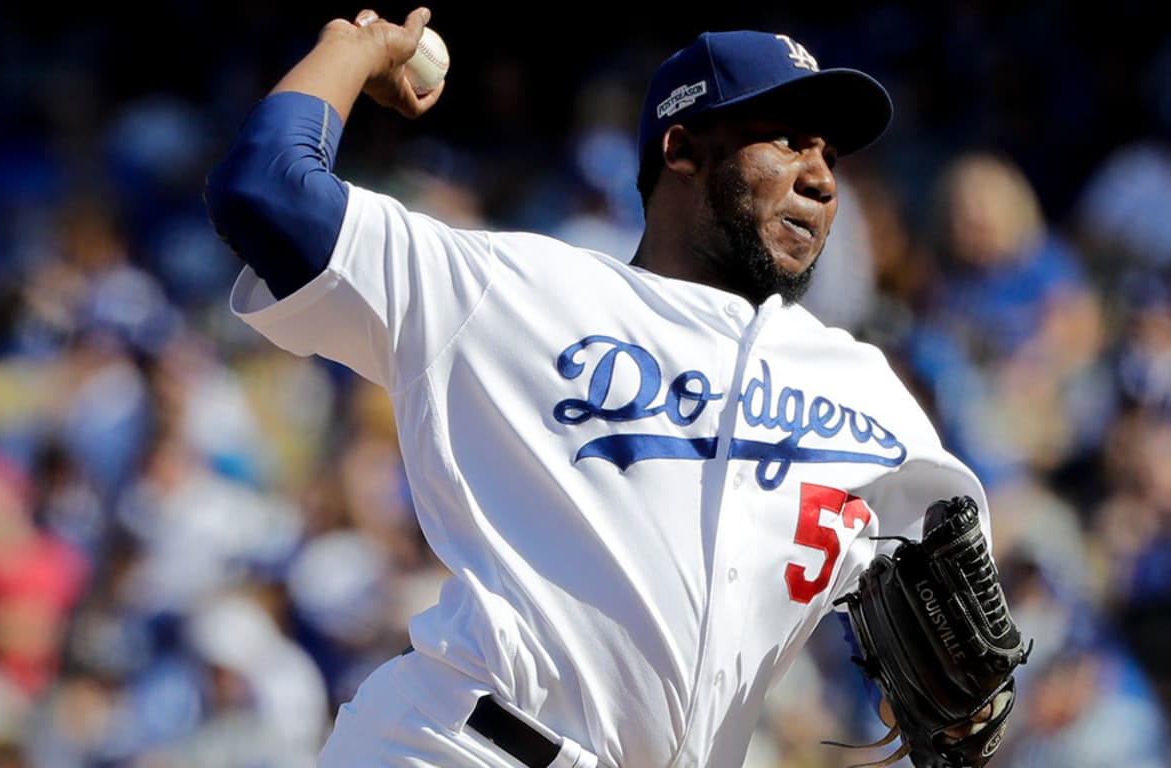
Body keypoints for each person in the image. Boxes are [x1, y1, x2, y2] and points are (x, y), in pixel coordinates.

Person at [205, 7, 1002, 767]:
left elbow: (962, 627)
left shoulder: (867, 393)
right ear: (682, 147)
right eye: (787, 140)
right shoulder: (515, 290)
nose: (820, 178)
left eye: (829, 154)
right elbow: (266, 191)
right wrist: (354, 48)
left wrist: (971, 701)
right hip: (459, 746)